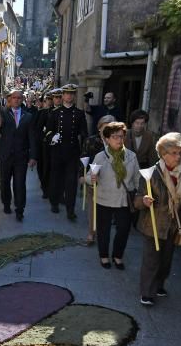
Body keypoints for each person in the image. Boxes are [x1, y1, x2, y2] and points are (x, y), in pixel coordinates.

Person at [135, 132, 181, 305]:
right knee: (151, 259)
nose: (178, 157)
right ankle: (147, 292)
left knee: (166, 259)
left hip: (174, 224)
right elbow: (137, 199)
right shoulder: (151, 173)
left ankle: (159, 284)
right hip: (153, 224)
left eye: (180, 153)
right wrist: (144, 201)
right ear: (163, 154)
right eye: (174, 153)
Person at [90, 122, 139, 270]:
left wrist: (140, 194)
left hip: (124, 199)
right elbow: (89, 175)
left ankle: (118, 255)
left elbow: (137, 178)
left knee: (123, 229)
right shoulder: (100, 157)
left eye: (121, 136)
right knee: (103, 229)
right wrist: (92, 178)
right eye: (114, 136)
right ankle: (103, 256)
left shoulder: (131, 156)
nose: (118, 139)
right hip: (104, 198)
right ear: (107, 139)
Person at [45, 84, 88, 221]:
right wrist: (52, 137)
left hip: (72, 152)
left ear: (74, 96)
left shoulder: (79, 113)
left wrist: (83, 142)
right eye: (66, 93)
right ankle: (54, 202)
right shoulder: (55, 113)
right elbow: (47, 131)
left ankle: (70, 209)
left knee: (71, 182)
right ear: (62, 96)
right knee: (56, 178)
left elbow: (84, 133)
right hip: (57, 151)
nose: (69, 96)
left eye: (71, 94)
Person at [0, 88, 37, 221]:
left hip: (21, 155)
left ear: (22, 100)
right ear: (10, 99)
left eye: (19, 98)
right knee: (5, 181)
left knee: (19, 183)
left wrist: (33, 156)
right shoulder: (3, 113)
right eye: (14, 97)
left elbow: (32, 137)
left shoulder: (28, 116)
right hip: (6, 154)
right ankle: (6, 203)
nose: (17, 100)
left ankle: (20, 209)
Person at [82, 114, 118, 243]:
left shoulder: (118, 142)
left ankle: (103, 233)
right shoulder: (91, 141)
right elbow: (84, 158)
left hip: (111, 181)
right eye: (105, 127)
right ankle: (91, 232)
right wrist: (84, 177)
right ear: (99, 128)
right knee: (93, 208)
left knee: (106, 210)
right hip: (94, 179)